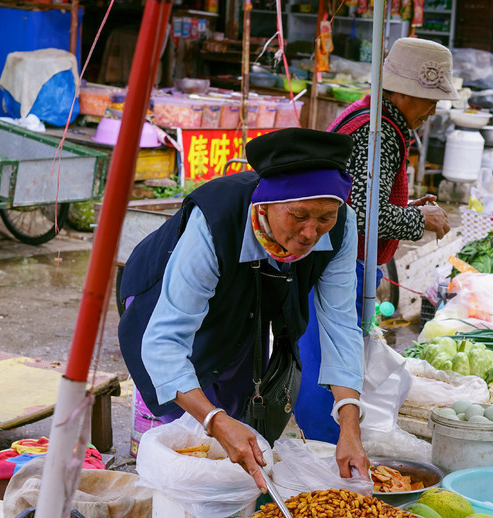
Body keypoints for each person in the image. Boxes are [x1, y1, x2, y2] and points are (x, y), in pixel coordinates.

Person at [118, 127, 367, 489]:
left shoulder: (341, 227)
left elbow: (342, 326)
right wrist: (214, 420)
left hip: (245, 305)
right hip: (160, 302)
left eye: (325, 217)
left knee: (235, 399)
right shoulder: (216, 221)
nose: (311, 233)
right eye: (299, 216)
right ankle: (164, 506)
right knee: (178, 431)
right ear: (265, 205)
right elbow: (164, 342)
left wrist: (350, 427)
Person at [294, 37, 456, 442]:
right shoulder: (379, 132)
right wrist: (419, 217)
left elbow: (364, 197)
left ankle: (323, 441)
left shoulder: (372, 116)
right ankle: (322, 447)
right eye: (427, 98)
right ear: (400, 92)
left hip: (328, 255)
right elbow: (363, 215)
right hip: (334, 262)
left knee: (326, 355)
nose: (433, 109)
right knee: (331, 361)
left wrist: (408, 205)